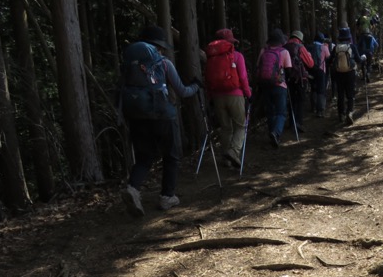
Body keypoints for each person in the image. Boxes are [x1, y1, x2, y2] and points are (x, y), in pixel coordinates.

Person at [119, 25, 201, 216]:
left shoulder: (129, 63)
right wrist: (196, 86)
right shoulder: (163, 63)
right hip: (162, 116)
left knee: (144, 157)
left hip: (136, 116)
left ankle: (132, 188)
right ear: (158, 46)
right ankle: (167, 196)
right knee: (171, 156)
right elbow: (182, 91)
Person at [205, 28, 252, 169]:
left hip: (217, 96)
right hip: (235, 94)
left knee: (226, 128)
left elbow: (207, 79)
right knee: (241, 125)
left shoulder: (211, 58)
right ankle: (233, 152)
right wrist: (248, 93)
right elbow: (243, 77)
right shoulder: (237, 56)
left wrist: (210, 96)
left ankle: (226, 159)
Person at [256, 28, 292, 147]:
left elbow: (258, 67)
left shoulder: (263, 51)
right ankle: (276, 133)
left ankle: (272, 133)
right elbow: (289, 70)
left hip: (265, 85)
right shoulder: (284, 52)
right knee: (281, 112)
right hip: (279, 85)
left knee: (270, 112)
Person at [330, 27, 365, 125]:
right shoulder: (352, 47)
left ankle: (341, 114)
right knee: (350, 94)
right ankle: (350, 112)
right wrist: (363, 58)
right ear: (348, 37)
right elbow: (358, 60)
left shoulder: (335, 47)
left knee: (340, 94)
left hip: (338, 73)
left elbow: (330, 60)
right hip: (350, 73)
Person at [283, 30, 314, 133]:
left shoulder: (284, 46)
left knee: (291, 100)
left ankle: (291, 123)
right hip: (300, 78)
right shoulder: (300, 47)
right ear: (300, 39)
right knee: (300, 101)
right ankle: (299, 123)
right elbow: (310, 64)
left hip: (288, 77)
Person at [309, 32, 331, 117]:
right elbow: (328, 57)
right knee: (321, 90)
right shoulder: (324, 47)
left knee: (313, 88)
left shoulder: (310, 47)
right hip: (321, 70)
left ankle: (313, 107)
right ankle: (320, 110)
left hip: (311, 70)